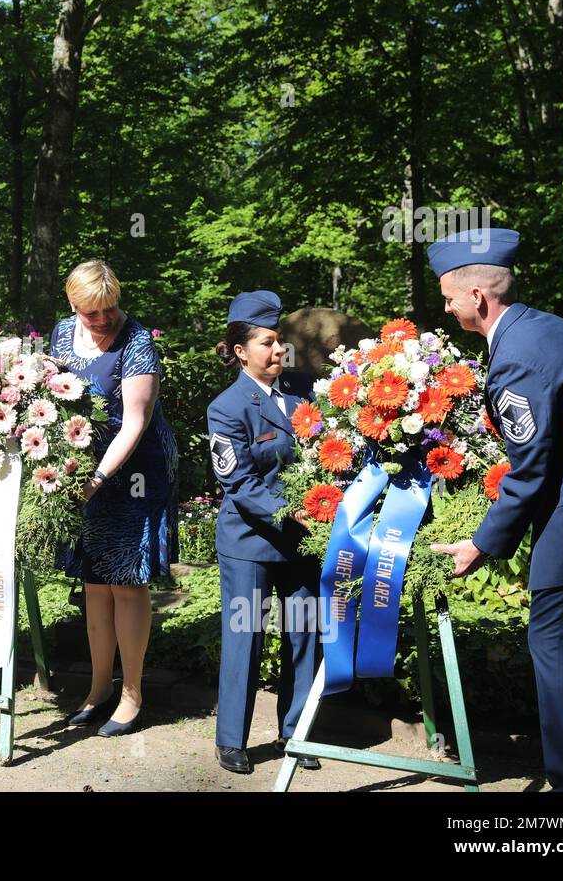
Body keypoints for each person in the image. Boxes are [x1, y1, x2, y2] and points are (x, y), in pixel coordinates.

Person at [427, 227, 563, 791]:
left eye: (448, 297)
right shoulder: (552, 331)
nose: (445, 308)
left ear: (477, 296)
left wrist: (482, 543)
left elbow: (531, 468)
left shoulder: (517, 356)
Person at [50, 260, 179, 737]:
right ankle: (98, 687)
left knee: (126, 581)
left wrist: (98, 479)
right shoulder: (61, 334)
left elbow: (135, 423)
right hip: (82, 467)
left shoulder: (137, 342)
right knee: (93, 582)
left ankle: (132, 693)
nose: (102, 319)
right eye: (91, 312)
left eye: (109, 309)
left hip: (135, 471)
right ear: (72, 304)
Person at [205, 291, 320, 775]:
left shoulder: (303, 392)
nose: (278, 350)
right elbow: (238, 483)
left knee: (304, 634)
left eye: (280, 341)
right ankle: (232, 739)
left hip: (304, 540)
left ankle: (296, 732)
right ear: (240, 351)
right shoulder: (227, 407)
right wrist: (291, 512)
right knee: (245, 638)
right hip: (251, 542)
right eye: (267, 342)